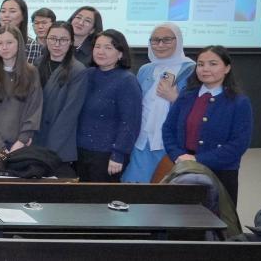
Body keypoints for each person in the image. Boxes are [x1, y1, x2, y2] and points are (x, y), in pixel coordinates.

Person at [162, 46, 252, 202]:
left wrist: (198, 160)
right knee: (182, 214)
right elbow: (168, 129)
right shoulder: (186, 96)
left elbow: (239, 144)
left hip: (221, 172)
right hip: (184, 168)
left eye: (213, 64)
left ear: (227, 68)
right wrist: (178, 155)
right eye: (200, 64)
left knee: (217, 214)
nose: (205, 69)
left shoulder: (239, 102)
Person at [123, 22, 197, 183]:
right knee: (132, 187)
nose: (160, 45)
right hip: (142, 141)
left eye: (167, 40)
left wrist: (175, 98)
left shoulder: (191, 70)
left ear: (178, 41)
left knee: (165, 189)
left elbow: (198, 111)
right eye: (155, 40)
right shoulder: (145, 70)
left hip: (170, 143)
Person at [76, 29, 142, 182]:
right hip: (80, 151)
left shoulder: (127, 81)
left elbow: (130, 122)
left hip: (107, 156)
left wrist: (119, 154)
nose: (101, 51)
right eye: (97, 46)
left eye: (108, 48)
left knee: (100, 197)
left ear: (120, 54)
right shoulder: (88, 74)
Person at [0, 25, 42, 151]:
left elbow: (34, 109)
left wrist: (22, 140)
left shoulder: (31, 73)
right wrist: (0, 147)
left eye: (9, 42)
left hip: (20, 144)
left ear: (19, 44)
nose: (4, 47)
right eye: (0, 43)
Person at [34, 21, 88, 170]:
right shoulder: (38, 63)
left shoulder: (78, 70)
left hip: (58, 144)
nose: (57, 44)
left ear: (71, 42)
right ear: (46, 40)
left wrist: (50, 149)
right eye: (53, 38)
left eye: (63, 40)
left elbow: (69, 114)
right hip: (35, 137)